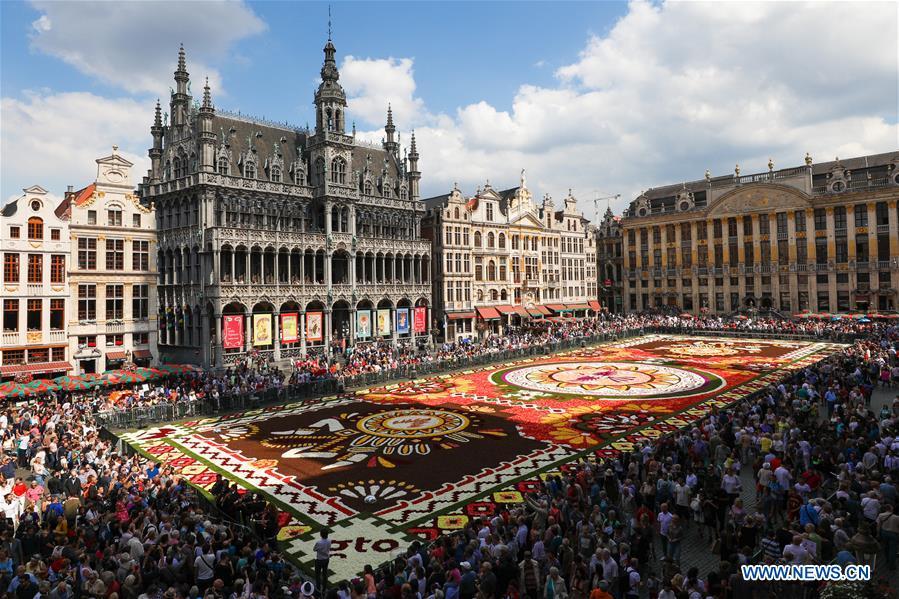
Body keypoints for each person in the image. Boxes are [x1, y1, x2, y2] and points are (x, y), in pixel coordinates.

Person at [313, 528, 332, 596]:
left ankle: (318, 589)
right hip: (326, 559)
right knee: (325, 574)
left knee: (318, 575)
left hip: (319, 560)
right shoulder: (329, 540)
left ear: (321, 534)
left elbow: (314, 549)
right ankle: (324, 589)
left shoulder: (319, 542)